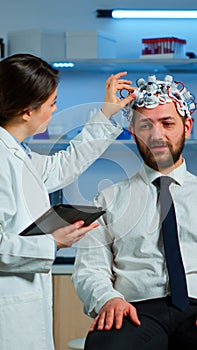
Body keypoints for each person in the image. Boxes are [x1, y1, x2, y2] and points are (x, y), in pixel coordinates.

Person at [0, 53, 136, 350]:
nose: (55, 109)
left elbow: (65, 165)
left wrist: (106, 113)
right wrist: (52, 243)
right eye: (52, 104)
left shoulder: (17, 154)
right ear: (27, 111)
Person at [72, 74, 197, 350]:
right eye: (145, 125)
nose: (157, 136)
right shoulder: (106, 199)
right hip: (135, 310)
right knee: (106, 345)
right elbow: (89, 269)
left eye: (167, 123)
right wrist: (108, 299)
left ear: (187, 126)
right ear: (132, 130)